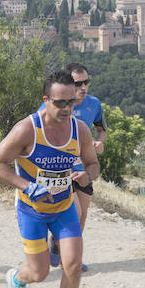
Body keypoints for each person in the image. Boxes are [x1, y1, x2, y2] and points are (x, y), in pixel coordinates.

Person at [0, 70, 100, 288]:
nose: (67, 108)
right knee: (39, 273)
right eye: (60, 103)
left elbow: (93, 164)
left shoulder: (79, 129)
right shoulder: (27, 129)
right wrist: (26, 186)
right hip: (31, 212)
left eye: (71, 102)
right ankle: (17, 278)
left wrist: (87, 175)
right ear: (45, 100)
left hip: (64, 208)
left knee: (72, 265)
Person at [43, 62, 108, 272]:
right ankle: (68, 257)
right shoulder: (56, 105)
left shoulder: (94, 104)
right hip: (61, 168)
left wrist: (99, 142)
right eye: (78, 83)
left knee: (82, 213)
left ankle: (65, 253)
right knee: (73, 211)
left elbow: (101, 129)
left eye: (86, 82)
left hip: (84, 167)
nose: (83, 87)